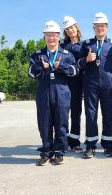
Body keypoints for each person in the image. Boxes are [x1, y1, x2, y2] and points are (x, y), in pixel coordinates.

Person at [28, 21, 78, 166]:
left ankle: (59, 152)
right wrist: (38, 66)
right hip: (43, 92)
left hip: (62, 92)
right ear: (44, 37)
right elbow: (30, 73)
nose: (51, 38)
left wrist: (61, 66)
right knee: (44, 123)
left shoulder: (66, 54)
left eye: (54, 35)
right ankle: (46, 152)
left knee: (61, 123)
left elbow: (75, 72)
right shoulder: (37, 54)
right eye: (48, 35)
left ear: (58, 37)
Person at [77, 12, 112, 158]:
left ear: (106, 27)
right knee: (91, 114)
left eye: (102, 26)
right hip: (91, 84)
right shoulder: (87, 44)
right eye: (97, 26)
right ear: (93, 28)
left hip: (108, 85)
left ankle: (108, 145)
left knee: (108, 114)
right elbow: (78, 64)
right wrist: (86, 59)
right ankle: (90, 145)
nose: (100, 28)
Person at [60, 16, 84, 153]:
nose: (70, 30)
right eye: (67, 29)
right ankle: (62, 141)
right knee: (62, 113)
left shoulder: (83, 45)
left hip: (78, 84)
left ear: (76, 27)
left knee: (76, 113)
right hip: (64, 83)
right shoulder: (62, 45)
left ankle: (74, 142)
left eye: (72, 27)